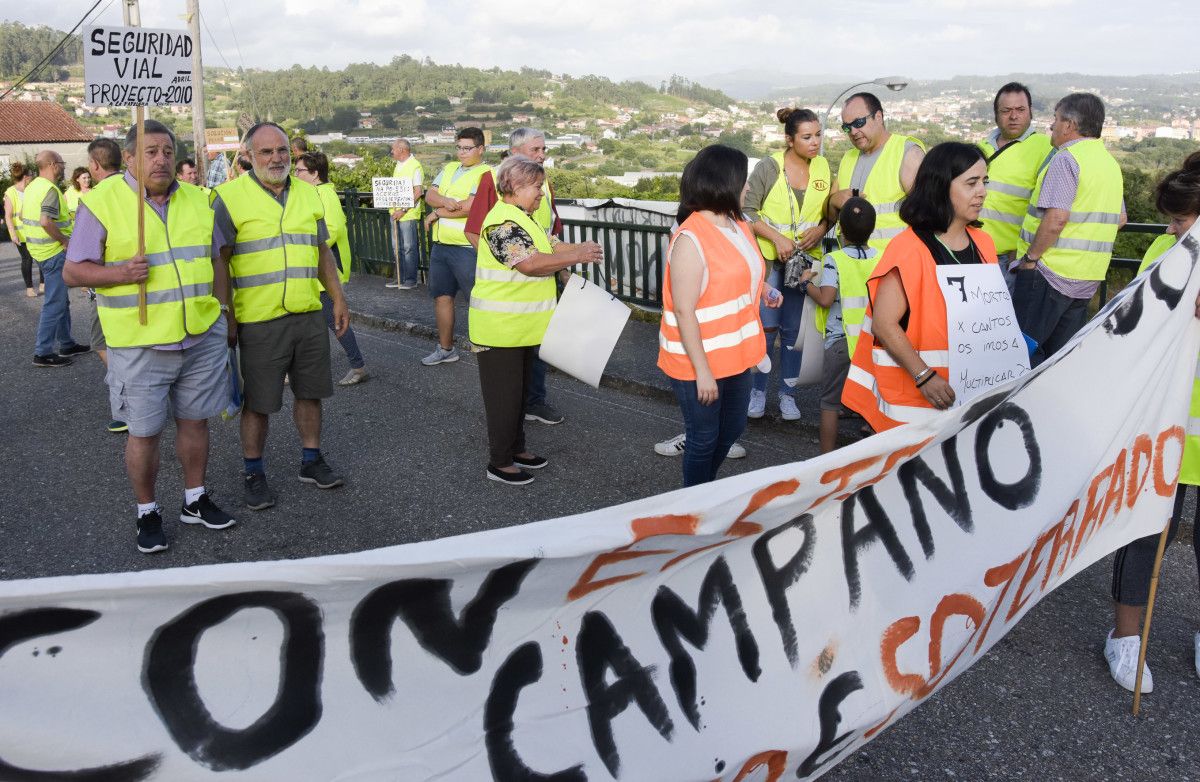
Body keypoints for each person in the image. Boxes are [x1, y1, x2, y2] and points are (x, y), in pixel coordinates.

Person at [62, 120, 236, 553]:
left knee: (195, 421)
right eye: (150, 151)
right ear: (131, 158)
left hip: (198, 335)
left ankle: (194, 499)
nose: (161, 158)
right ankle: (148, 510)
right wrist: (119, 273)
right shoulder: (102, 202)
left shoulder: (199, 199)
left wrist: (222, 312)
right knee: (144, 432)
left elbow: (216, 260)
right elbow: (72, 271)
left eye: (166, 150)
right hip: (139, 343)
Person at [212, 122, 350, 510]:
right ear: (249, 156)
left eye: (282, 151)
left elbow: (322, 251)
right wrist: (227, 313)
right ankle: (253, 472)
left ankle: (311, 460)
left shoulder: (308, 195)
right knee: (259, 401)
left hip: (306, 312)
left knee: (311, 392)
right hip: (258, 318)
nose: (276, 158)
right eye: (266, 152)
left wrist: (338, 298)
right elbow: (219, 261)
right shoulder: (227, 197)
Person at [1104, 151, 1200, 693]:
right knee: (1145, 531)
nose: (1169, 229)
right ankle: (1125, 638)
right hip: (1166, 419)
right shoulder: (1166, 251)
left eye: (1181, 221)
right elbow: (1135, 325)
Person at [841, 142, 998, 432]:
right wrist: (924, 376)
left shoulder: (984, 243)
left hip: (966, 395)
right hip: (914, 401)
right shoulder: (908, 248)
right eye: (971, 183)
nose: (982, 192)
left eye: (984, 181)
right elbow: (884, 324)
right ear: (941, 187)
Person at [468, 156, 602, 485]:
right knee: (504, 400)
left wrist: (581, 248)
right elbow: (529, 264)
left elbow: (551, 245)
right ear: (514, 186)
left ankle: (517, 449)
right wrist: (578, 255)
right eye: (536, 186)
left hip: (523, 330)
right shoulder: (501, 222)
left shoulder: (523, 219)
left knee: (519, 395)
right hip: (500, 332)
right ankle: (499, 463)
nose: (541, 192)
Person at [657, 144, 779, 487]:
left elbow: (741, 272)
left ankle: (703, 492)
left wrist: (764, 290)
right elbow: (683, 310)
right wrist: (703, 373)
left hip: (737, 355)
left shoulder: (739, 224)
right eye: (744, 181)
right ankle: (695, 507)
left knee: (732, 430)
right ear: (725, 182)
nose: (748, 188)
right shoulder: (690, 239)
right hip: (698, 362)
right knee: (704, 437)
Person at [1013, 92, 1125, 367]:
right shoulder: (1109, 163)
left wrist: (1030, 259)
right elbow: (1120, 219)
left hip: (1049, 274)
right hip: (1087, 279)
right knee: (1059, 361)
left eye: (1056, 118)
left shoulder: (1066, 159)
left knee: (1022, 355)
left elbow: (1056, 220)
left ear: (1069, 125)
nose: (1051, 125)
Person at [466, 127, 567, 425]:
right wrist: (509, 262)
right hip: (517, 288)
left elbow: (549, 234)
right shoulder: (495, 179)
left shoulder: (541, 183)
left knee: (537, 346)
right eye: (535, 150)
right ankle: (525, 407)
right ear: (515, 151)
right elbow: (476, 231)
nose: (542, 155)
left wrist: (559, 269)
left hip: (539, 282)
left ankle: (534, 401)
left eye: (543, 149)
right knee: (518, 358)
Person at [743, 107, 833, 421]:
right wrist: (777, 239)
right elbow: (747, 211)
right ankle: (757, 392)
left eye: (818, 135)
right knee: (765, 330)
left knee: (794, 332)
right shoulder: (769, 167)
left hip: (804, 261)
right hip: (770, 261)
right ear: (789, 139)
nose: (815, 142)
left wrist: (820, 230)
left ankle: (788, 395)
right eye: (807, 137)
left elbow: (829, 213)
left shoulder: (823, 166)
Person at [799, 197, 878, 453]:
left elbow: (825, 299)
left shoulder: (835, 259)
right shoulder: (882, 256)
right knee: (872, 397)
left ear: (840, 229)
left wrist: (805, 283)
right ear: (872, 229)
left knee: (830, 403)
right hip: (872, 340)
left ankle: (827, 460)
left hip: (841, 340)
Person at [296, 151, 369, 386]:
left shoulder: (324, 194)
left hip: (325, 271)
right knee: (307, 322)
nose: (295, 175)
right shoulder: (312, 192)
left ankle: (358, 366)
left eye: (300, 171)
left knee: (334, 319)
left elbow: (333, 229)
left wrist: (306, 252)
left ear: (315, 174)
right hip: (314, 269)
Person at [421, 127, 492, 366]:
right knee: (442, 296)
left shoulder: (486, 173)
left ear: (480, 149)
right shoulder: (449, 168)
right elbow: (430, 195)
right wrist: (445, 203)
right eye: (459, 147)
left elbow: (470, 207)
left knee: (477, 299)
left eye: (467, 148)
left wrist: (438, 213)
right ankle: (446, 348)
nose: (462, 153)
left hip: (466, 247)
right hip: (441, 245)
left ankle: (488, 349)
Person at [827, 92, 925, 253]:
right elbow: (831, 217)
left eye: (859, 122)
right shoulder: (847, 158)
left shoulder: (907, 153)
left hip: (893, 266)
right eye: (846, 127)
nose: (853, 131)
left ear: (878, 117)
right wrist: (833, 201)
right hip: (852, 266)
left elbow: (930, 216)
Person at [20, 149, 89, 367]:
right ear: (52, 164)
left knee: (60, 300)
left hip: (40, 252)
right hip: (54, 253)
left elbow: (23, 216)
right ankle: (43, 352)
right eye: (61, 162)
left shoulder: (32, 187)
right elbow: (45, 221)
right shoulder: (49, 189)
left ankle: (67, 343)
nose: (63, 165)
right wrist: (65, 241)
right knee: (54, 303)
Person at [977, 83, 1054, 276]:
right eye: (1006, 111)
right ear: (996, 114)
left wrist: (1026, 252)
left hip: (1011, 259)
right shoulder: (982, 147)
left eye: (1020, 110)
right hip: (974, 253)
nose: (1013, 116)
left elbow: (1051, 210)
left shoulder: (1046, 149)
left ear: (1031, 112)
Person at [81, 138, 126, 433]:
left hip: (109, 290)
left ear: (95, 165)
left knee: (103, 344)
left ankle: (124, 403)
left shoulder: (95, 199)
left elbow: (82, 263)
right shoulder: (139, 190)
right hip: (144, 291)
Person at [385, 138, 424, 290]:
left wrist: (404, 209)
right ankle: (400, 277)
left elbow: (418, 192)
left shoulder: (415, 166)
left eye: (393, 149)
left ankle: (410, 279)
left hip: (408, 214)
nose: (391, 152)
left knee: (408, 247)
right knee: (397, 248)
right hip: (395, 212)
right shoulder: (398, 165)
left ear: (402, 150)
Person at [3, 162, 41, 297]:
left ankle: (43, 283)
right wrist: (12, 234)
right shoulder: (10, 192)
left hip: (35, 230)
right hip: (20, 233)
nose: (32, 177)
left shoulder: (31, 190)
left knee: (40, 257)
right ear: (26, 177)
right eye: (31, 175)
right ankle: (29, 288)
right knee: (27, 259)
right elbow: (7, 216)